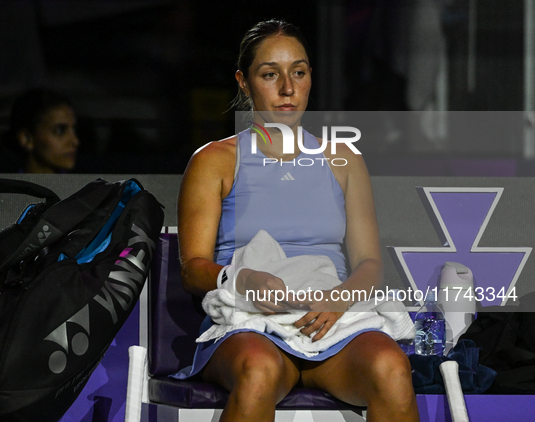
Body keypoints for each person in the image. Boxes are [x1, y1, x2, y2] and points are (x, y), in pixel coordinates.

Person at [176, 19, 420, 422]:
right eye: (270, 74)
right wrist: (243, 279)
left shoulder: (344, 159)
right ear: (243, 81)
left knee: (392, 369)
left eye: (299, 72)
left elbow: (370, 265)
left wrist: (337, 299)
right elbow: (193, 270)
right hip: (252, 321)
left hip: (332, 320)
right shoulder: (214, 160)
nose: (288, 88)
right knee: (258, 371)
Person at [8, 88, 79, 173]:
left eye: (74, 130)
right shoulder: (5, 184)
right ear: (26, 138)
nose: (75, 141)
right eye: (60, 131)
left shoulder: (80, 184)